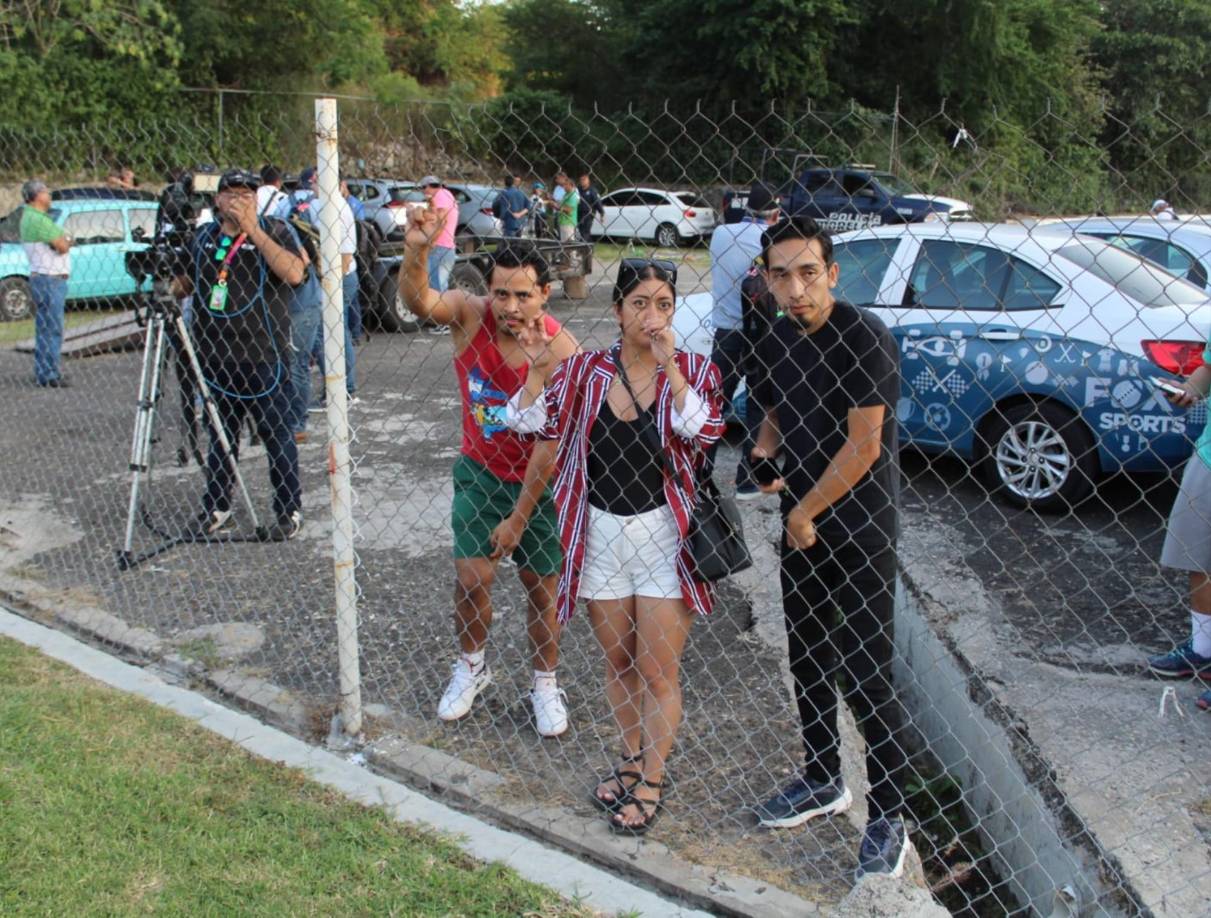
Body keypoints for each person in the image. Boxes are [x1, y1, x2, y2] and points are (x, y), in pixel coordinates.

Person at [506, 259, 724, 835]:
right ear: (617, 310)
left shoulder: (697, 370)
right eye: (639, 304)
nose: (651, 317)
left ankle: (652, 778)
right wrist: (535, 373)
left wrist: (671, 369)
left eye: (663, 306)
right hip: (599, 534)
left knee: (658, 670)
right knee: (619, 662)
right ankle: (629, 761)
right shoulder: (584, 372)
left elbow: (703, 432)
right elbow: (525, 424)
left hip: (663, 538)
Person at [749, 216, 910, 880]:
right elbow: (779, 408)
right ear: (765, 277)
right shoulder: (780, 335)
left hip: (858, 527)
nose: (795, 289)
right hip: (803, 525)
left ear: (832, 274)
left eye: (807, 273)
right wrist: (763, 450)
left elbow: (864, 444)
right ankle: (822, 775)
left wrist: (806, 510)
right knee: (807, 654)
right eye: (780, 274)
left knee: (868, 672)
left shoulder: (863, 336)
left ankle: (890, 814)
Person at [398, 205, 580, 737]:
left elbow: (553, 448)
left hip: (538, 486)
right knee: (473, 577)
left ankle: (545, 683)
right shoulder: (470, 314)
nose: (511, 306)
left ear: (545, 294)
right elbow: (419, 301)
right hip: (479, 472)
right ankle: (472, 668)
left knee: (540, 588)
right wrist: (417, 248)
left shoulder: (561, 351)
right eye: (501, 293)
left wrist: (520, 518)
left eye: (524, 295)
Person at [170, 168, 306, 541]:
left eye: (247, 194)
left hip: (265, 355)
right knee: (220, 436)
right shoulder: (203, 237)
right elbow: (183, 282)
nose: (239, 200)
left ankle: (288, 510)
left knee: (277, 435)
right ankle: (217, 507)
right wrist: (167, 288)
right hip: (216, 355)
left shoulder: (276, 230)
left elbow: (295, 273)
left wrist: (254, 231)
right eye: (231, 193)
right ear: (217, 200)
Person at [707, 181, 779, 498]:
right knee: (758, 407)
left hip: (726, 332)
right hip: (762, 335)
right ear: (775, 213)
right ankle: (747, 478)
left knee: (713, 404)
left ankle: (700, 474)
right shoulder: (771, 241)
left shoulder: (721, 235)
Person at [1147, 353, 1211, 713]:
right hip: (1210, 453)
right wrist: (1190, 390)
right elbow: (1208, 369)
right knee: (1198, 555)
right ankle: (1203, 650)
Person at [279, 166, 359, 427]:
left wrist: (328, 284)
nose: (311, 188)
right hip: (332, 277)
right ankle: (339, 388)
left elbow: (346, 256)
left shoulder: (335, 207)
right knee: (332, 333)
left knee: (333, 333)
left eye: (314, 183)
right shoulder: (322, 205)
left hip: (339, 278)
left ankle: (343, 389)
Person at [19, 180, 73, 388]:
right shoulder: (39, 220)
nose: (49, 196)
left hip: (42, 277)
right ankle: (49, 373)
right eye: (46, 193)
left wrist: (64, 239)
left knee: (44, 327)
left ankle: (43, 370)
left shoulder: (30, 217)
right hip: (50, 279)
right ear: (37, 196)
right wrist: (66, 239)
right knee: (52, 328)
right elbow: (62, 245)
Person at [420, 175, 458, 292]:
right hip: (446, 246)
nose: (422, 191)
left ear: (429, 186)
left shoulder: (440, 195)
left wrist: (432, 240)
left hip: (440, 246)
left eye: (423, 187)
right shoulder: (447, 195)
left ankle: (442, 310)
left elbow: (441, 221)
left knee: (436, 288)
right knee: (438, 286)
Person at [551, 173, 579, 244]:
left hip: (568, 222)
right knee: (563, 243)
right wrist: (555, 205)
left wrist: (556, 206)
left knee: (568, 244)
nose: (564, 187)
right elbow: (561, 205)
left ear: (571, 185)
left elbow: (569, 210)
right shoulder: (566, 195)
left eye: (566, 185)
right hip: (562, 221)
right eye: (564, 185)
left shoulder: (573, 195)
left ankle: (572, 255)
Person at [576, 173, 604, 242]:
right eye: (581, 180)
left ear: (588, 181)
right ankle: (587, 247)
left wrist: (602, 213)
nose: (582, 181)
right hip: (579, 213)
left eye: (584, 180)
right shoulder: (578, 190)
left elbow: (598, 203)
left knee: (586, 231)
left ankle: (584, 248)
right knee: (581, 231)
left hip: (588, 214)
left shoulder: (592, 191)